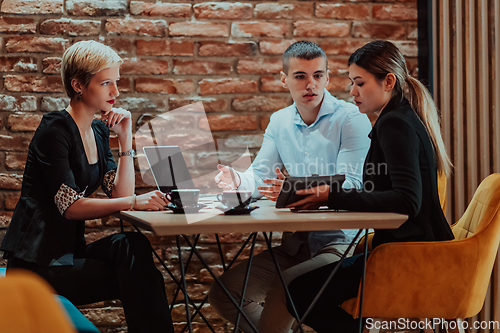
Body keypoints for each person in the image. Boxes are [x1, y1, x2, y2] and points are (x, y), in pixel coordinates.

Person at [0, 40, 174, 333]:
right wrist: (134, 202)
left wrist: (125, 138)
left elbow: (119, 193)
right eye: (106, 83)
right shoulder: (54, 130)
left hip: (69, 255)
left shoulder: (96, 131)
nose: (115, 92)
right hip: (38, 265)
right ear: (78, 85)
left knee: (131, 247)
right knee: (139, 276)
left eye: (116, 82)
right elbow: (71, 208)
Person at [284, 40, 455, 332]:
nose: (352, 92)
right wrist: (329, 195)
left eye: (360, 83)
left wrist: (330, 194)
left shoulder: (394, 124)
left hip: (409, 258)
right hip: (411, 252)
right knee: (304, 291)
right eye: (352, 83)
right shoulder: (400, 118)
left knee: (299, 293)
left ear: (388, 81)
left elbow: (406, 201)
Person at [208, 41, 372, 333]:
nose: (311, 84)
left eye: (318, 75)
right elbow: (260, 176)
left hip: (343, 245)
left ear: (328, 77)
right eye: (300, 76)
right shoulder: (279, 121)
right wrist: (238, 180)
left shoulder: (351, 118)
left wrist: (293, 187)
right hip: (296, 246)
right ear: (284, 79)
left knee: (286, 290)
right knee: (226, 293)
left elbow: (353, 184)